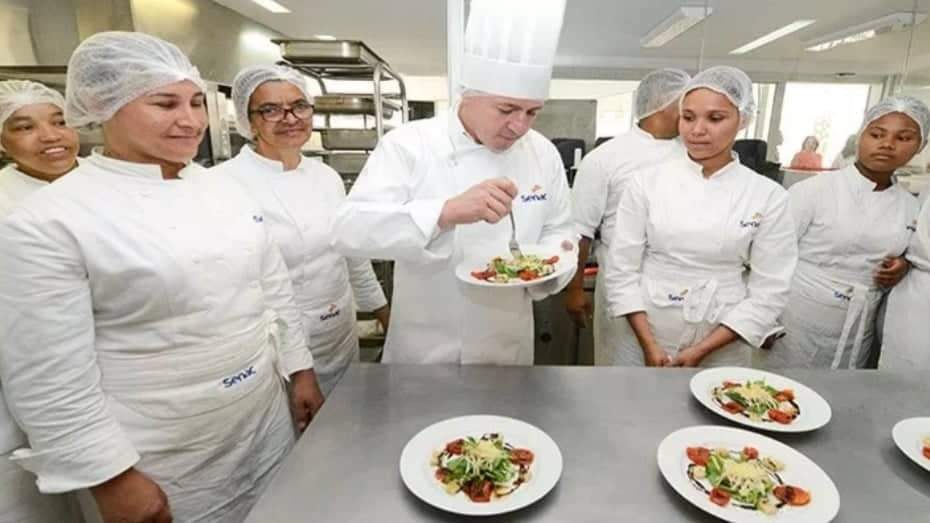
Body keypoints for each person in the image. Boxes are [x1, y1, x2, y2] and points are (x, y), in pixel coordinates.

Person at [0, 32, 324, 523]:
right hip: (162, 454)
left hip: (262, 422)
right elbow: (49, 379)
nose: (191, 120)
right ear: (101, 104)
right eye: (164, 103)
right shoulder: (51, 219)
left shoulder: (221, 189)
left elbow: (272, 286)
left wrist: (299, 369)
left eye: (196, 102)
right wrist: (111, 478)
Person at [331, 0, 576, 365]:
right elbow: (348, 231)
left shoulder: (541, 153)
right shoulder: (409, 145)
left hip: (508, 350)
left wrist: (545, 275)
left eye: (532, 112)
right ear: (468, 95)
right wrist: (444, 213)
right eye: (507, 110)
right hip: (424, 351)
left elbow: (559, 229)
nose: (520, 126)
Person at [604, 66, 798, 368]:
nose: (697, 130)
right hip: (643, 334)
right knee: (634, 410)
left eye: (715, 118)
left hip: (722, 342)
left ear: (743, 119)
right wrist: (649, 345)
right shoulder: (646, 183)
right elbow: (621, 271)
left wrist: (700, 351)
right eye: (688, 117)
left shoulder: (767, 196)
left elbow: (770, 290)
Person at [217, 64, 389, 394]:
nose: (290, 117)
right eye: (270, 110)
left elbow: (352, 255)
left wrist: (385, 314)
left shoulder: (327, 177)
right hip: (277, 346)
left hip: (339, 330)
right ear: (248, 120)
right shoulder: (224, 185)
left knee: (346, 416)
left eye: (299, 106)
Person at [763, 96, 926, 369]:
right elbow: (769, 256)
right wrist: (763, 320)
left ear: (920, 146)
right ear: (862, 135)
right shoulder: (813, 191)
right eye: (877, 134)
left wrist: (904, 264)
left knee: (842, 394)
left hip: (858, 323)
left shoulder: (911, 206)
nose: (887, 144)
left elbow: (914, 252)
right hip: (795, 317)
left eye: (904, 138)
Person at [566, 68, 691, 364]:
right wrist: (573, 290)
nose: (693, 114)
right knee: (621, 369)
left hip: (679, 283)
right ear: (663, 100)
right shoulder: (606, 158)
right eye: (687, 103)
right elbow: (579, 230)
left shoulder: (692, 154)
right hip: (624, 279)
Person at [0, 80, 83, 523]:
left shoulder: (103, 186)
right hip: (27, 380)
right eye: (24, 126)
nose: (50, 137)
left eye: (59, 121)